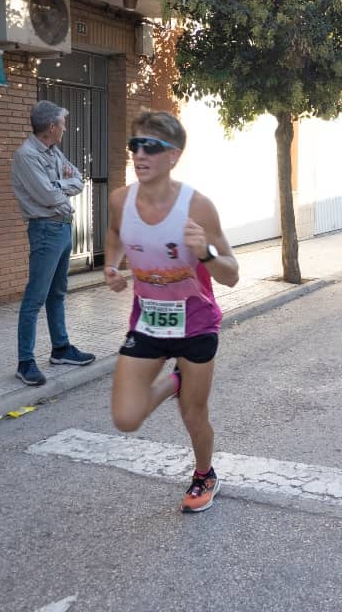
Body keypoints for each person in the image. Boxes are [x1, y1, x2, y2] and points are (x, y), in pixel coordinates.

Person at [103, 111, 239, 513]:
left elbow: (231, 274)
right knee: (126, 418)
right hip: (148, 321)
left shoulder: (197, 207)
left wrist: (205, 253)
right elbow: (115, 233)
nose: (140, 154)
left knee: (193, 413)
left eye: (151, 147)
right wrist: (111, 265)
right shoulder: (120, 200)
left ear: (174, 155)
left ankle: (204, 475)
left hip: (196, 324)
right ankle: (175, 381)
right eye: (135, 145)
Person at [11, 100, 96, 386]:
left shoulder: (53, 151)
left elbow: (79, 180)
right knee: (35, 297)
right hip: (45, 230)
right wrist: (60, 187)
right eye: (62, 123)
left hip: (62, 227)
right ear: (51, 127)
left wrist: (58, 185)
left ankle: (60, 349)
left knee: (57, 293)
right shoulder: (26, 155)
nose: (64, 128)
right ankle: (25, 362)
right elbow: (47, 196)